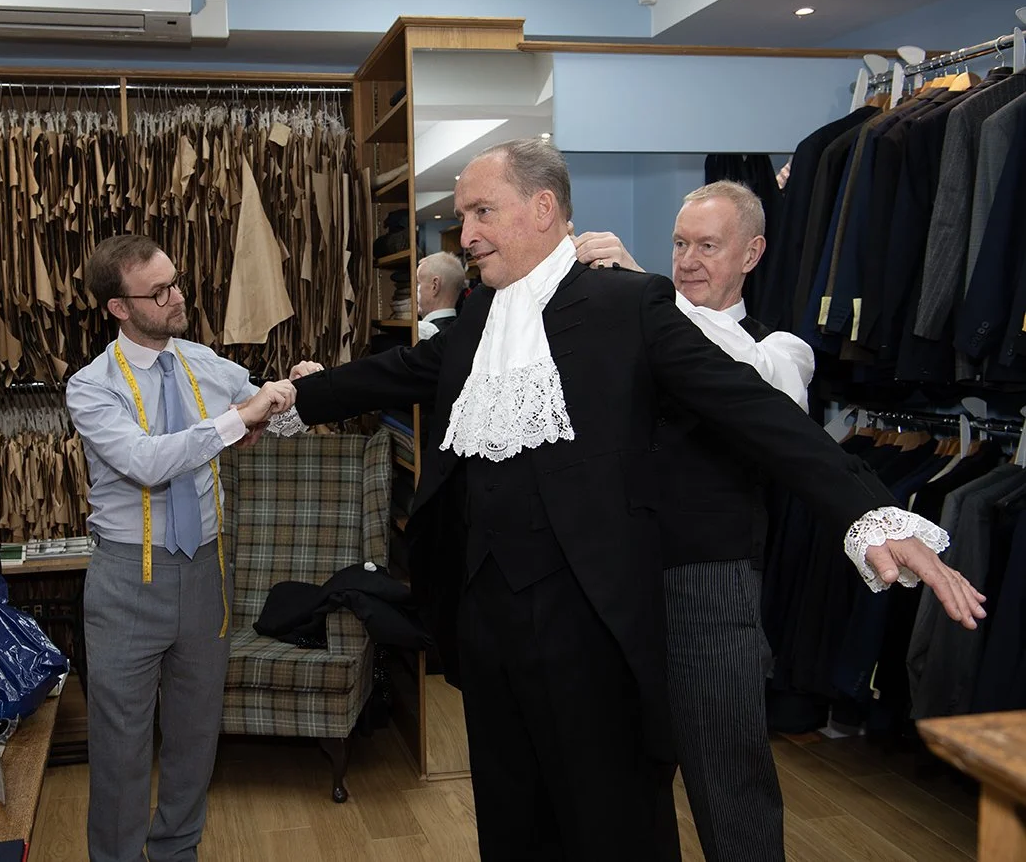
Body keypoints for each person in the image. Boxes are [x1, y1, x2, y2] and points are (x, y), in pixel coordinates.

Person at [286, 138, 985, 861]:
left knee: (610, 821)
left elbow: (756, 409)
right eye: (464, 215)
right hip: (484, 625)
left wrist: (866, 510)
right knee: (509, 816)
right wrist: (293, 397)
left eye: (481, 211)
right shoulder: (480, 317)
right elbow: (397, 370)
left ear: (543, 208)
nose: (465, 235)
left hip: (592, 625)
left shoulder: (629, 303)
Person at [573, 181, 811, 861]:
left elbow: (762, 392)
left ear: (752, 252)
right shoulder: (641, 332)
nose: (688, 259)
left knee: (729, 779)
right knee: (625, 778)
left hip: (712, 585)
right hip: (623, 583)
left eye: (708, 245)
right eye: (679, 244)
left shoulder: (782, 348)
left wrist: (653, 294)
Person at [65, 234, 295, 862]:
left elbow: (268, 418)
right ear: (119, 308)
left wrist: (291, 394)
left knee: (195, 734)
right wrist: (240, 418)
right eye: (158, 291)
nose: (176, 297)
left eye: (176, 280)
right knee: (121, 741)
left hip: (205, 572)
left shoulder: (203, 362)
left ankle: (177, 852)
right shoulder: (92, 387)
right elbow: (145, 461)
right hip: (126, 579)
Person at [415, 251, 467, 340]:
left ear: (435, 286)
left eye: (418, 283)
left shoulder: (423, 332)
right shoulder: (464, 330)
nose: (414, 290)